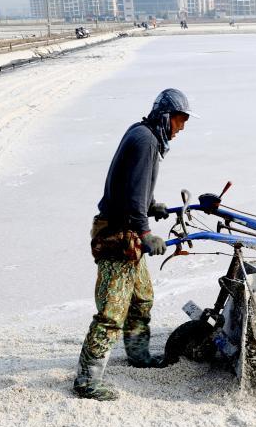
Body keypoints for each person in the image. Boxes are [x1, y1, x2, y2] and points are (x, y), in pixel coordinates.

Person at [73, 88, 197, 401]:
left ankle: (139, 356)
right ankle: (86, 381)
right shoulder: (146, 141)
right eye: (180, 120)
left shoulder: (143, 133)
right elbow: (130, 196)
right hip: (117, 237)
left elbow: (132, 185)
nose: (182, 128)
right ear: (165, 116)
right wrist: (145, 232)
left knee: (142, 298)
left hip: (128, 232)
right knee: (112, 312)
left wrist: (150, 204)